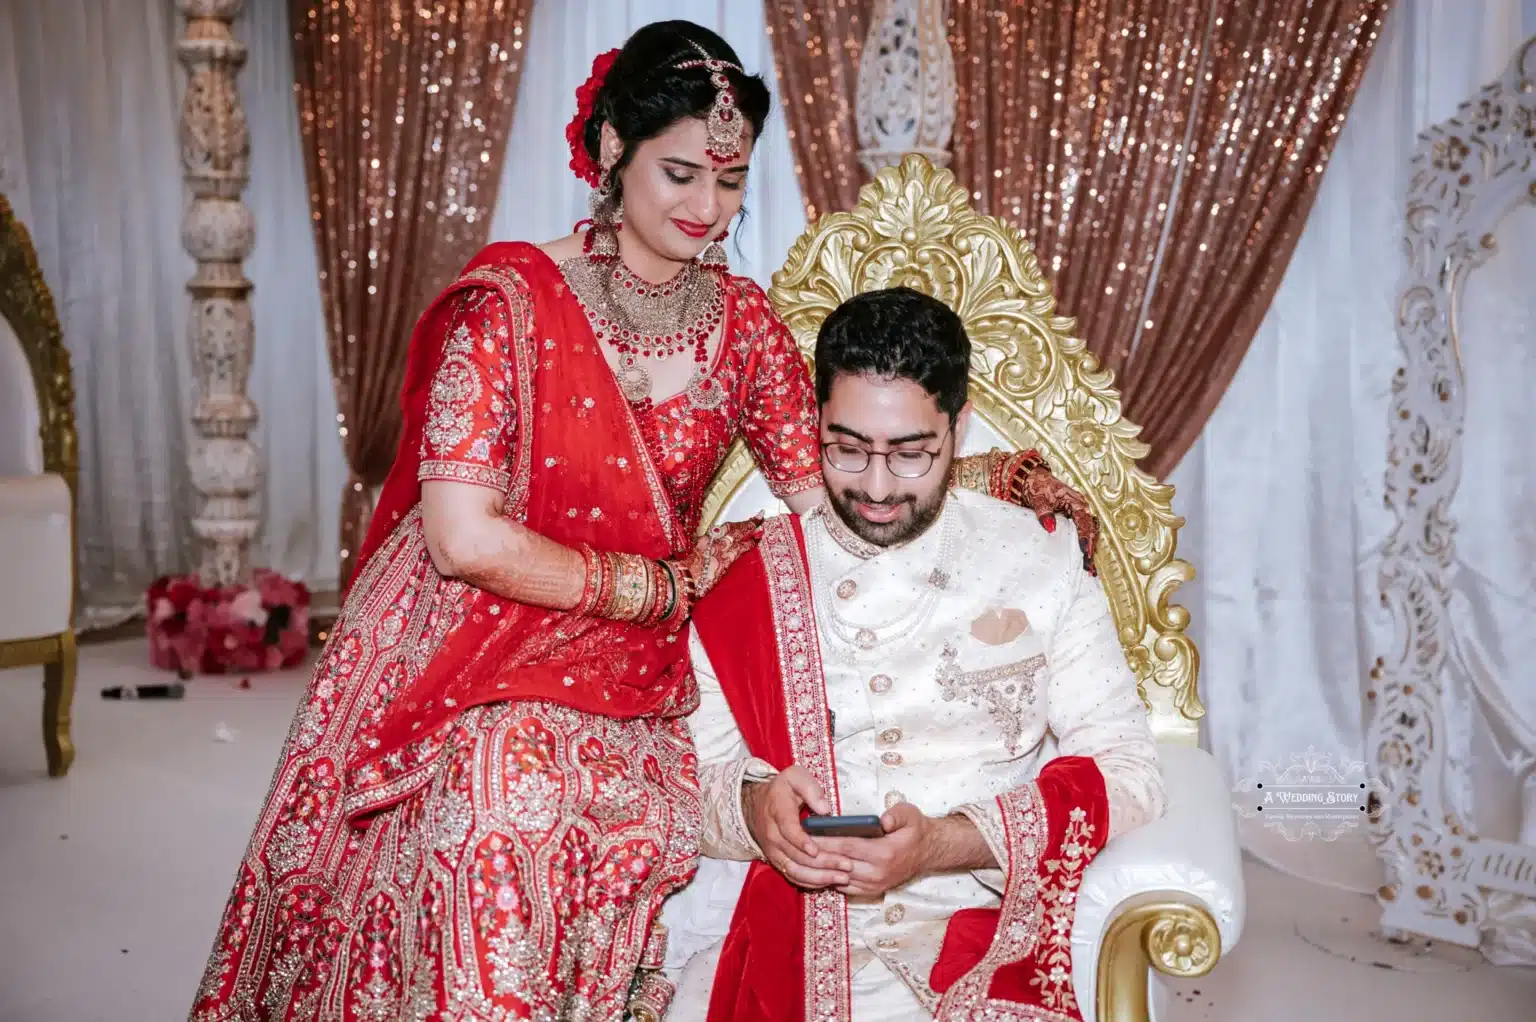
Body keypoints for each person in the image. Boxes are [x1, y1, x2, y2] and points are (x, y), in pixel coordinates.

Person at [190, 22, 1099, 1022]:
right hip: (478, 633)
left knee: (579, 808)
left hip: (640, 665)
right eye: (680, 174)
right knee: (499, 796)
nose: (709, 211)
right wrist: (661, 583)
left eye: (732, 181)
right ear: (612, 148)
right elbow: (462, 539)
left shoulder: (741, 324)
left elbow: (830, 485)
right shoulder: (509, 306)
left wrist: (989, 472)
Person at [658, 287, 1167, 1022]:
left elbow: (1130, 774)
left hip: (982, 928)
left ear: (959, 426)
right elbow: (683, 785)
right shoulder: (748, 579)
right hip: (790, 928)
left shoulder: (1039, 558)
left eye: (910, 454)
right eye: (847, 448)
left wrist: (945, 844)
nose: (874, 486)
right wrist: (752, 809)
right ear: (817, 424)